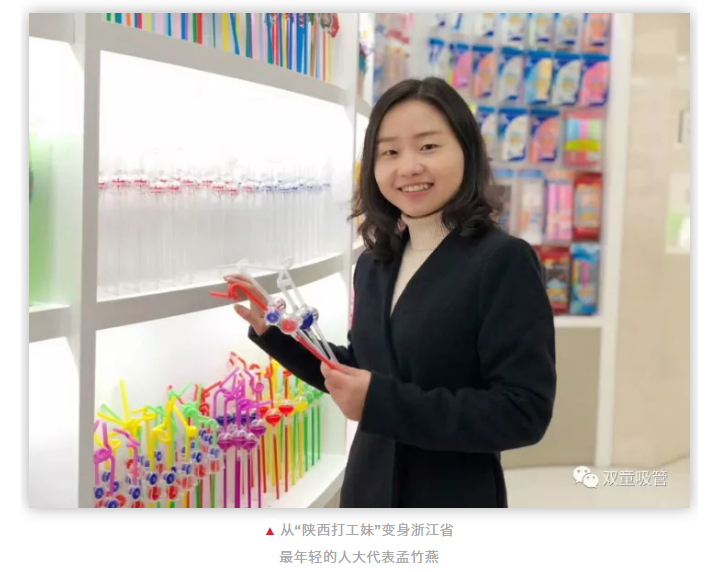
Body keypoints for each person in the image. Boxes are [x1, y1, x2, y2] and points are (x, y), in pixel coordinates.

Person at [225, 77, 556, 508]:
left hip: (449, 499)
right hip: (367, 490)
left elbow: (523, 412)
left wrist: (380, 401)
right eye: (390, 152)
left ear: (466, 151)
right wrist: (273, 330)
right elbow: (363, 371)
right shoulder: (375, 262)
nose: (409, 167)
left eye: (428, 146)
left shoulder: (502, 261)